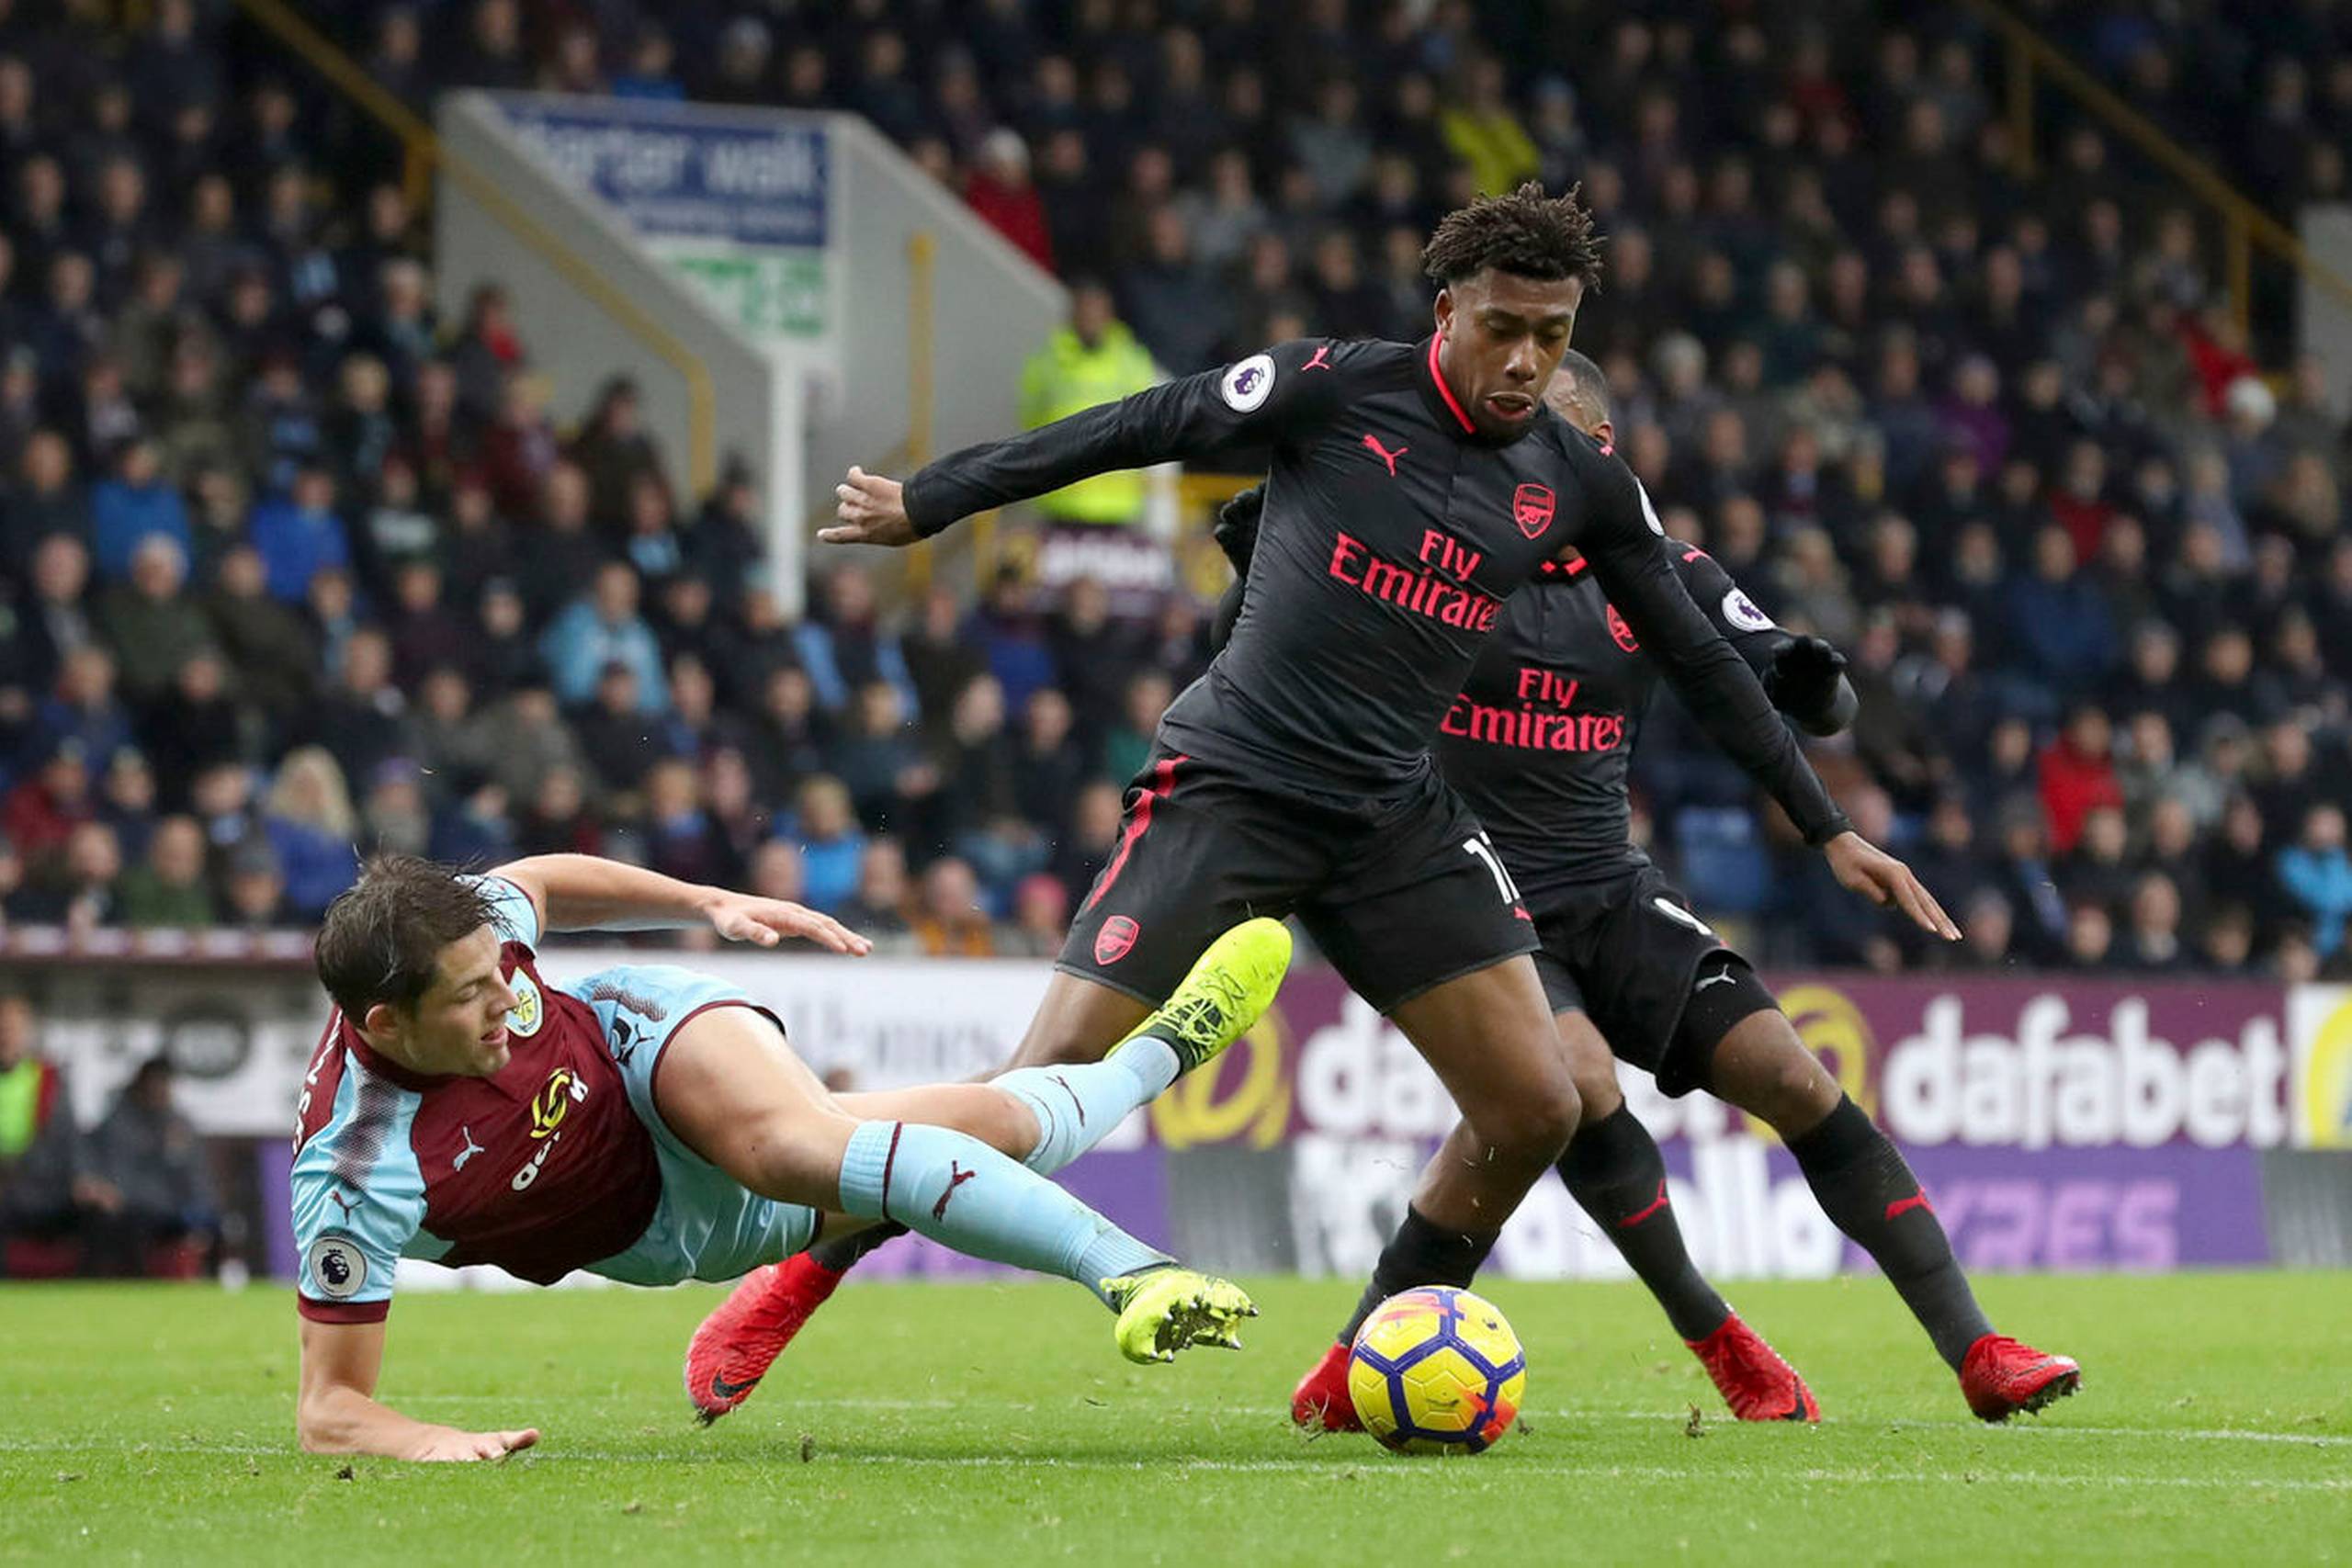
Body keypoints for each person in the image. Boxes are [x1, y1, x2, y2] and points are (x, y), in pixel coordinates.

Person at [703, 184, 1948, 1424]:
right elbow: (1143, 423)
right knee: (1041, 1093)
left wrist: (1827, 824)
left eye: (1553, 335)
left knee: (1535, 1105)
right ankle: (801, 1273)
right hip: (1234, 786)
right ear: (1447, 308)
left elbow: (1701, 654)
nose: (1526, 359)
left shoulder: (1575, 477)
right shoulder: (1336, 387)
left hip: (1391, 816)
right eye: (1505, 326)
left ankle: (1355, 1369)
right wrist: (938, 497)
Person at [1229, 354, 2076, 1427]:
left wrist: (1817, 695)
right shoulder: (1436, 561)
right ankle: (1713, 1331)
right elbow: (1270, 669)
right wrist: (1247, 580)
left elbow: (1792, 682)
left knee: (1794, 1079)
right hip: (1466, 891)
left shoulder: (1656, 569)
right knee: (1572, 1084)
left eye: (1558, 433)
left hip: (1607, 884)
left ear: (1602, 450)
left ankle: (1978, 1350)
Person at [291, 852, 1289, 1461]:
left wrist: (707, 902)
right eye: (466, 998)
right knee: (1012, 1131)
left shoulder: (467, 936)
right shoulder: (356, 1170)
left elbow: (536, 883)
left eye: (495, 975)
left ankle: (1132, 1273)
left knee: (791, 1146)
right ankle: (1165, 1052)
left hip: (643, 1046)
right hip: (664, 1226)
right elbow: (329, 1410)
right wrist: (431, 1441)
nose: (505, 1001)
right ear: (386, 1023)